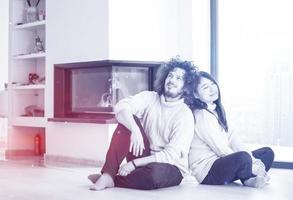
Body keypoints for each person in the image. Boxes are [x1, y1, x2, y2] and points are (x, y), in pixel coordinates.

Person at [88, 58, 196, 190]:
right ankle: (108, 174)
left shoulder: (185, 114)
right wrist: (135, 129)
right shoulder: (150, 97)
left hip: (171, 166)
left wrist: (133, 164)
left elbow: (170, 156)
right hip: (144, 155)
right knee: (127, 120)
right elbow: (121, 107)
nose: (172, 80)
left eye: (179, 78)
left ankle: (114, 179)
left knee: (153, 175)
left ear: (186, 86)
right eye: (170, 75)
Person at [188, 71, 274, 188]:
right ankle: (248, 178)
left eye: (213, 84)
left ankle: (247, 175)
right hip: (208, 171)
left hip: (223, 162)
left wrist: (254, 161)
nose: (212, 89)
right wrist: (253, 166)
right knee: (243, 158)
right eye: (205, 87)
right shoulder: (201, 114)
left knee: (267, 153)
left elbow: (234, 139)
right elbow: (220, 149)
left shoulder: (216, 110)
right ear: (196, 95)